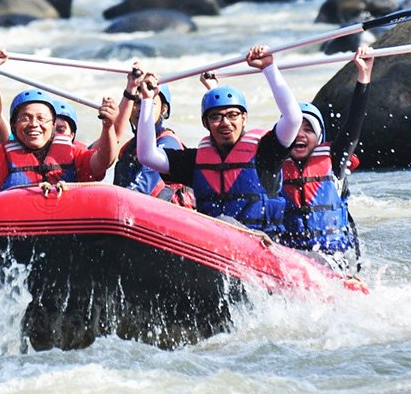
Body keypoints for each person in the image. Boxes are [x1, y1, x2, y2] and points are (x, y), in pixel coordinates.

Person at [136, 45, 301, 236]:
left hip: (263, 244)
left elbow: (293, 119)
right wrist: (148, 100)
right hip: (216, 246)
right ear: (206, 123)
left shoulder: (266, 152)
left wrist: (269, 68)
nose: (225, 123)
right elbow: (147, 155)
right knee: (222, 222)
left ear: (244, 118)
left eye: (233, 115)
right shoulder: (197, 161)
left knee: (225, 222)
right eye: (216, 117)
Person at [0, 44, 119, 193]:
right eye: (25, 118)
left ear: (53, 125)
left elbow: (104, 161)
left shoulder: (74, 155)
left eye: (41, 118)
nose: (34, 124)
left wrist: (108, 125)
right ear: (14, 126)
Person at [278, 46, 374, 275]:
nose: (300, 135)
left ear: (319, 137)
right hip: (290, 258)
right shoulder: (273, 166)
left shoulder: (334, 160)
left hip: (334, 260)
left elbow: (353, 126)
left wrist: (364, 76)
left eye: (308, 129)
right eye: (294, 129)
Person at [113, 65, 194, 207]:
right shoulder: (127, 149)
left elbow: (142, 187)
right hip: (131, 215)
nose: (139, 109)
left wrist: (112, 205)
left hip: (163, 221)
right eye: (136, 102)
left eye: (148, 102)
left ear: (164, 108)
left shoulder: (168, 142)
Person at [0, 46, 83, 146]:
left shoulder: (79, 156)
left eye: (60, 130)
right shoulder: (14, 144)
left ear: (72, 135)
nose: (54, 135)